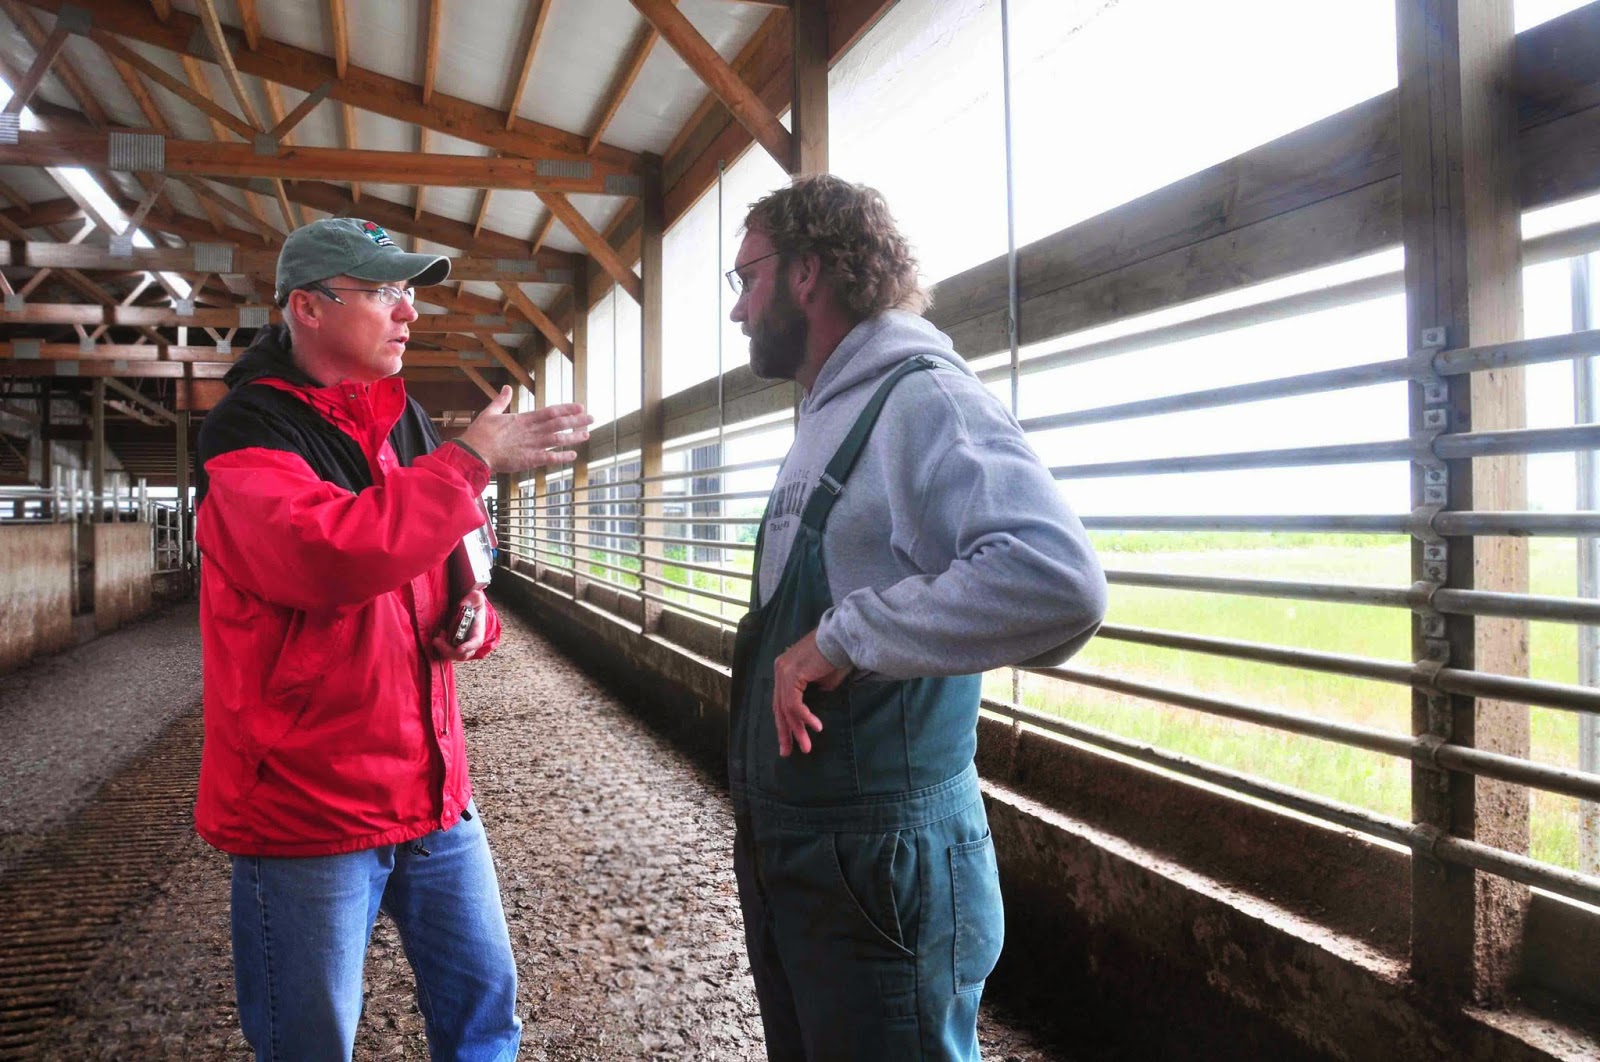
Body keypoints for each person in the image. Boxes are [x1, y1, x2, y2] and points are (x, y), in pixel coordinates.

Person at [725, 175, 1107, 1061]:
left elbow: (1058, 579)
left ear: (809, 272)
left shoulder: (920, 396)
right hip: (806, 852)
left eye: (747, 278)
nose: (740, 310)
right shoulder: (829, 411)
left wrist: (844, 636)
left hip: (878, 864)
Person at [193, 217, 591, 1061]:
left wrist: (471, 619)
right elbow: (327, 558)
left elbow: (447, 563)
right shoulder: (247, 431)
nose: (408, 312)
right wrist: (472, 460)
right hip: (309, 806)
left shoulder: (402, 420)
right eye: (383, 291)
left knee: (486, 1020)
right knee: (310, 1043)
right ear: (307, 307)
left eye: (409, 293)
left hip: (434, 789)